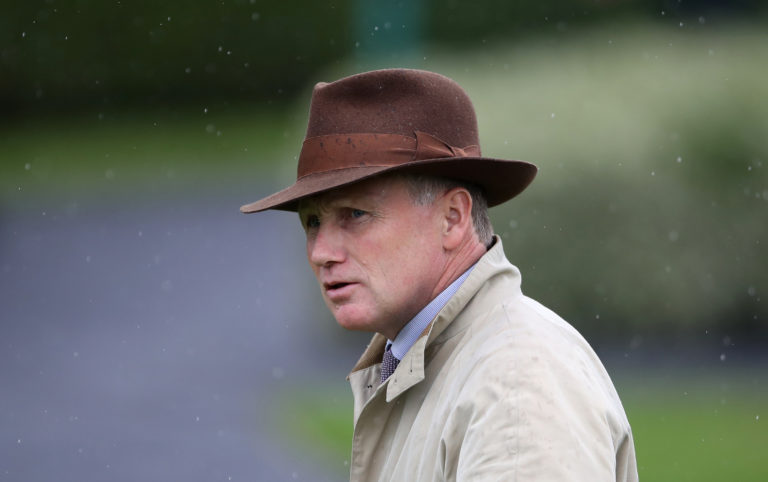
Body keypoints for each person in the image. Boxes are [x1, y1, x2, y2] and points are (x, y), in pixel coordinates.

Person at [241, 69, 638, 481]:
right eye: (312, 223)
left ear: (452, 219)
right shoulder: (429, 362)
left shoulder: (516, 384)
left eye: (355, 215)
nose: (321, 251)